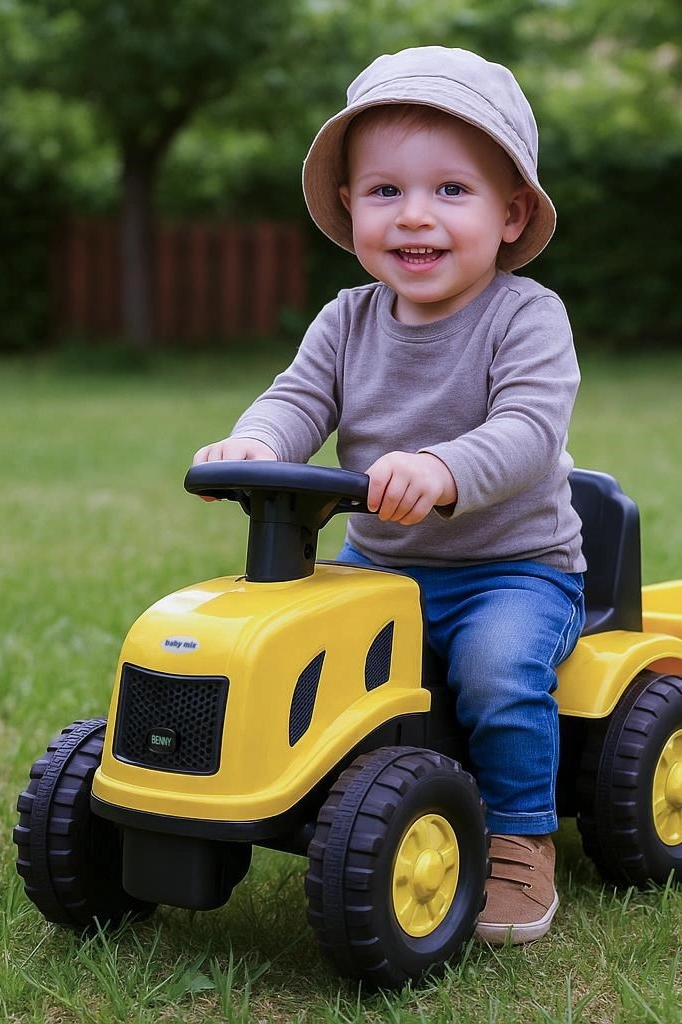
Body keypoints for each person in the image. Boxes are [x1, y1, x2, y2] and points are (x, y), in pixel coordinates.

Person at [194, 45, 585, 944]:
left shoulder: (526, 317)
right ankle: (311, 798)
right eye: (385, 191)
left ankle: (520, 838)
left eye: (451, 190)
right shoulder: (346, 320)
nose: (414, 215)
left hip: (513, 570)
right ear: (349, 205)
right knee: (296, 652)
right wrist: (257, 441)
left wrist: (444, 468)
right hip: (379, 561)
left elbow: (528, 431)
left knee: (495, 672)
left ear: (511, 211)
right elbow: (297, 399)